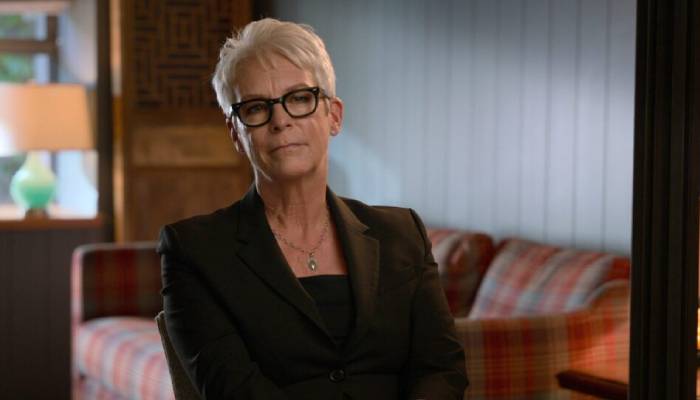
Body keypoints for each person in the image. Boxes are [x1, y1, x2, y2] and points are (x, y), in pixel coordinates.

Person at [158, 18, 468, 400]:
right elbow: (234, 391)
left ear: (333, 116)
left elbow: (441, 369)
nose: (280, 120)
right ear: (236, 132)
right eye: (256, 107)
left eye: (300, 98)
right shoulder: (194, 251)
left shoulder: (403, 233)